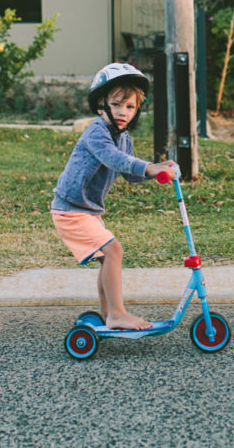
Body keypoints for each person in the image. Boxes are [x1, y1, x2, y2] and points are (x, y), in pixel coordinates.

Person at [51, 63, 176, 330]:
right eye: (117, 104)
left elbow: (130, 172)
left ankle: (108, 313)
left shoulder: (124, 137)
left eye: (130, 107)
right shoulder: (97, 132)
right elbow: (113, 158)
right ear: (101, 104)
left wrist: (158, 169)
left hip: (87, 211)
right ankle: (117, 314)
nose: (123, 112)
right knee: (114, 250)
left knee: (108, 256)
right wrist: (148, 167)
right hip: (70, 209)